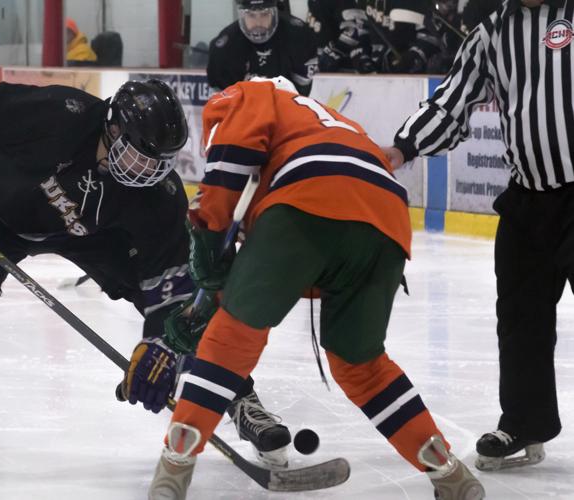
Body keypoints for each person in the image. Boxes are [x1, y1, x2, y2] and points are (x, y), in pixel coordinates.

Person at [0, 79, 289, 476]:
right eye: (140, 155)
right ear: (112, 129)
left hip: (95, 235)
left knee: (190, 318)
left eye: (161, 161)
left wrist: (161, 346)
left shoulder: (155, 197)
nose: (150, 171)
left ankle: (239, 397)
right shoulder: (58, 113)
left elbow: (169, 292)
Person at [140, 76, 485, 500]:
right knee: (362, 366)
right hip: (388, 220)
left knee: (231, 342)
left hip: (307, 201)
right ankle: (448, 473)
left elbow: (230, 165)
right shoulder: (332, 121)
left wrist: (209, 246)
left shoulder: (250, 94)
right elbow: (299, 253)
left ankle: (174, 468)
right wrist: (223, 293)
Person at [382, 0, 574, 473]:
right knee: (519, 314)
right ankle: (525, 420)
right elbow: (452, 102)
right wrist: (403, 147)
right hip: (527, 197)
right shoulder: (492, 33)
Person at [206, 0, 319, 96]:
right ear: (242, 15)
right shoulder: (224, 48)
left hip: (286, 109)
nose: (258, 22)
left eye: (264, 14)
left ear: (274, 13)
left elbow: (301, 93)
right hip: (242, 113)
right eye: (251, 15)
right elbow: (223, 101)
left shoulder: (299, 37)